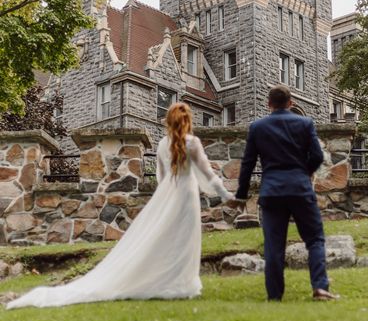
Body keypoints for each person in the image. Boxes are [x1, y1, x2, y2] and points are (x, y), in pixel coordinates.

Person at [7, 103, 233, 309]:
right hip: (186, 194)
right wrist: (225, 194)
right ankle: (181, 283)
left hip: (168, 195)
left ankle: (171, 281)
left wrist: (162, 200)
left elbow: (161, 178)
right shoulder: (192, 143)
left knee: (166, 238)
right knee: (185, 238)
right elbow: (207, 173)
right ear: (188, 121)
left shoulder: (164, 144)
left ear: (168, 121)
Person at [232, 85, 338, 302]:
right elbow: (317, 156)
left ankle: (274, 296)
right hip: (300, 188)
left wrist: (241, 194)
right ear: (291, 103)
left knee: (273, 245)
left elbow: (248, 163)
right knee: (315, 239)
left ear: (268, 104)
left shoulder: (258, 127)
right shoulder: (305, 123)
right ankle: (320, 287)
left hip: (271, 191)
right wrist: (304, 172)